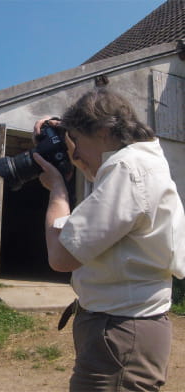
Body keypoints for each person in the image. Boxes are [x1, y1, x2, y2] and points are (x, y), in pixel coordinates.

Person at [32, 87, 185, 391]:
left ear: (102, 131)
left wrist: (58, 191)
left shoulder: (127, 169)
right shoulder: (138, 163)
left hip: (120, 334)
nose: (74, 152)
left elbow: (61, 257)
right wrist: (62, 131)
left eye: (77, 141)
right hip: (123, 331)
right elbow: (94, 171)